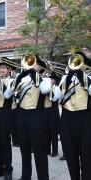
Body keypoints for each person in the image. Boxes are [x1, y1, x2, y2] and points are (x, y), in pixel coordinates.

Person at [54, 51, 91, 180]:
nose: (76, 64)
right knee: (71, 154)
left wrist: (83, 78)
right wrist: (68, 78)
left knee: (87, 156)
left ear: (85, 64)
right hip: (67, 118)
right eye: (74, 61)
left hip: (85, 118)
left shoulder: (89, 78)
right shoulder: (65, 78)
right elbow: (56, 97)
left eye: (79, 61)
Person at [15, 55, 51, 180]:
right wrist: (20, 77)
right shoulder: (24, 79)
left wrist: (35, 75)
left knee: (39, 150)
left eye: (34, 65)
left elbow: (45, 90)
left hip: (36, 117)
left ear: (40, 68)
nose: (31, 66)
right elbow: (12, 91)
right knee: (24, 148)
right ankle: (26, 176)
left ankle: (43, 177)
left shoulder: (44, 79)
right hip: (22, 115)